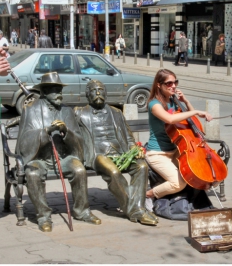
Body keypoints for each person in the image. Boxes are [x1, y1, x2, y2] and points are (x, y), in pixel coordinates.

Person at [15, 72, 101, 232]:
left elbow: (79, 140)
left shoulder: (67, 111)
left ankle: (82, 211)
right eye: (55, 90)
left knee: (79, 169)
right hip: (39, 157)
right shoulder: (30, 110)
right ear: (44, 92)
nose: (59, 94)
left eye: (60, 90)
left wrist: (66, 131)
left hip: (62, 156)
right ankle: (43, 216)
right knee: (33, 175)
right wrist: (45, 132)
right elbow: (23, 141)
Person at [74, 80, 158, 226]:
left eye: (101, 90)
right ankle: (135, 211)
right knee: (113, 171)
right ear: (87, 94)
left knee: (142, 166)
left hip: (120, 153)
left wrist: (133, 149)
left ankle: (138, 207)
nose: (98, 93)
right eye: (94, 90)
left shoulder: (116, 112)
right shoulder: (79, 113)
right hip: (98, 155)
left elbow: (128, 135)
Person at [145, 69, 213, 205]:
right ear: (159, 85)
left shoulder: (173, 101)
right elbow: (170, 119)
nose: (173, 86)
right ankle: (147, 195)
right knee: (178, 183)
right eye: (169, 83)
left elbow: (192, 120)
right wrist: (195, 111)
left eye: (175, 82)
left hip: (175, 151)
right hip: (157, 153)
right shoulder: (154, 104)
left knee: (196, 172)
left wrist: (185, 101)